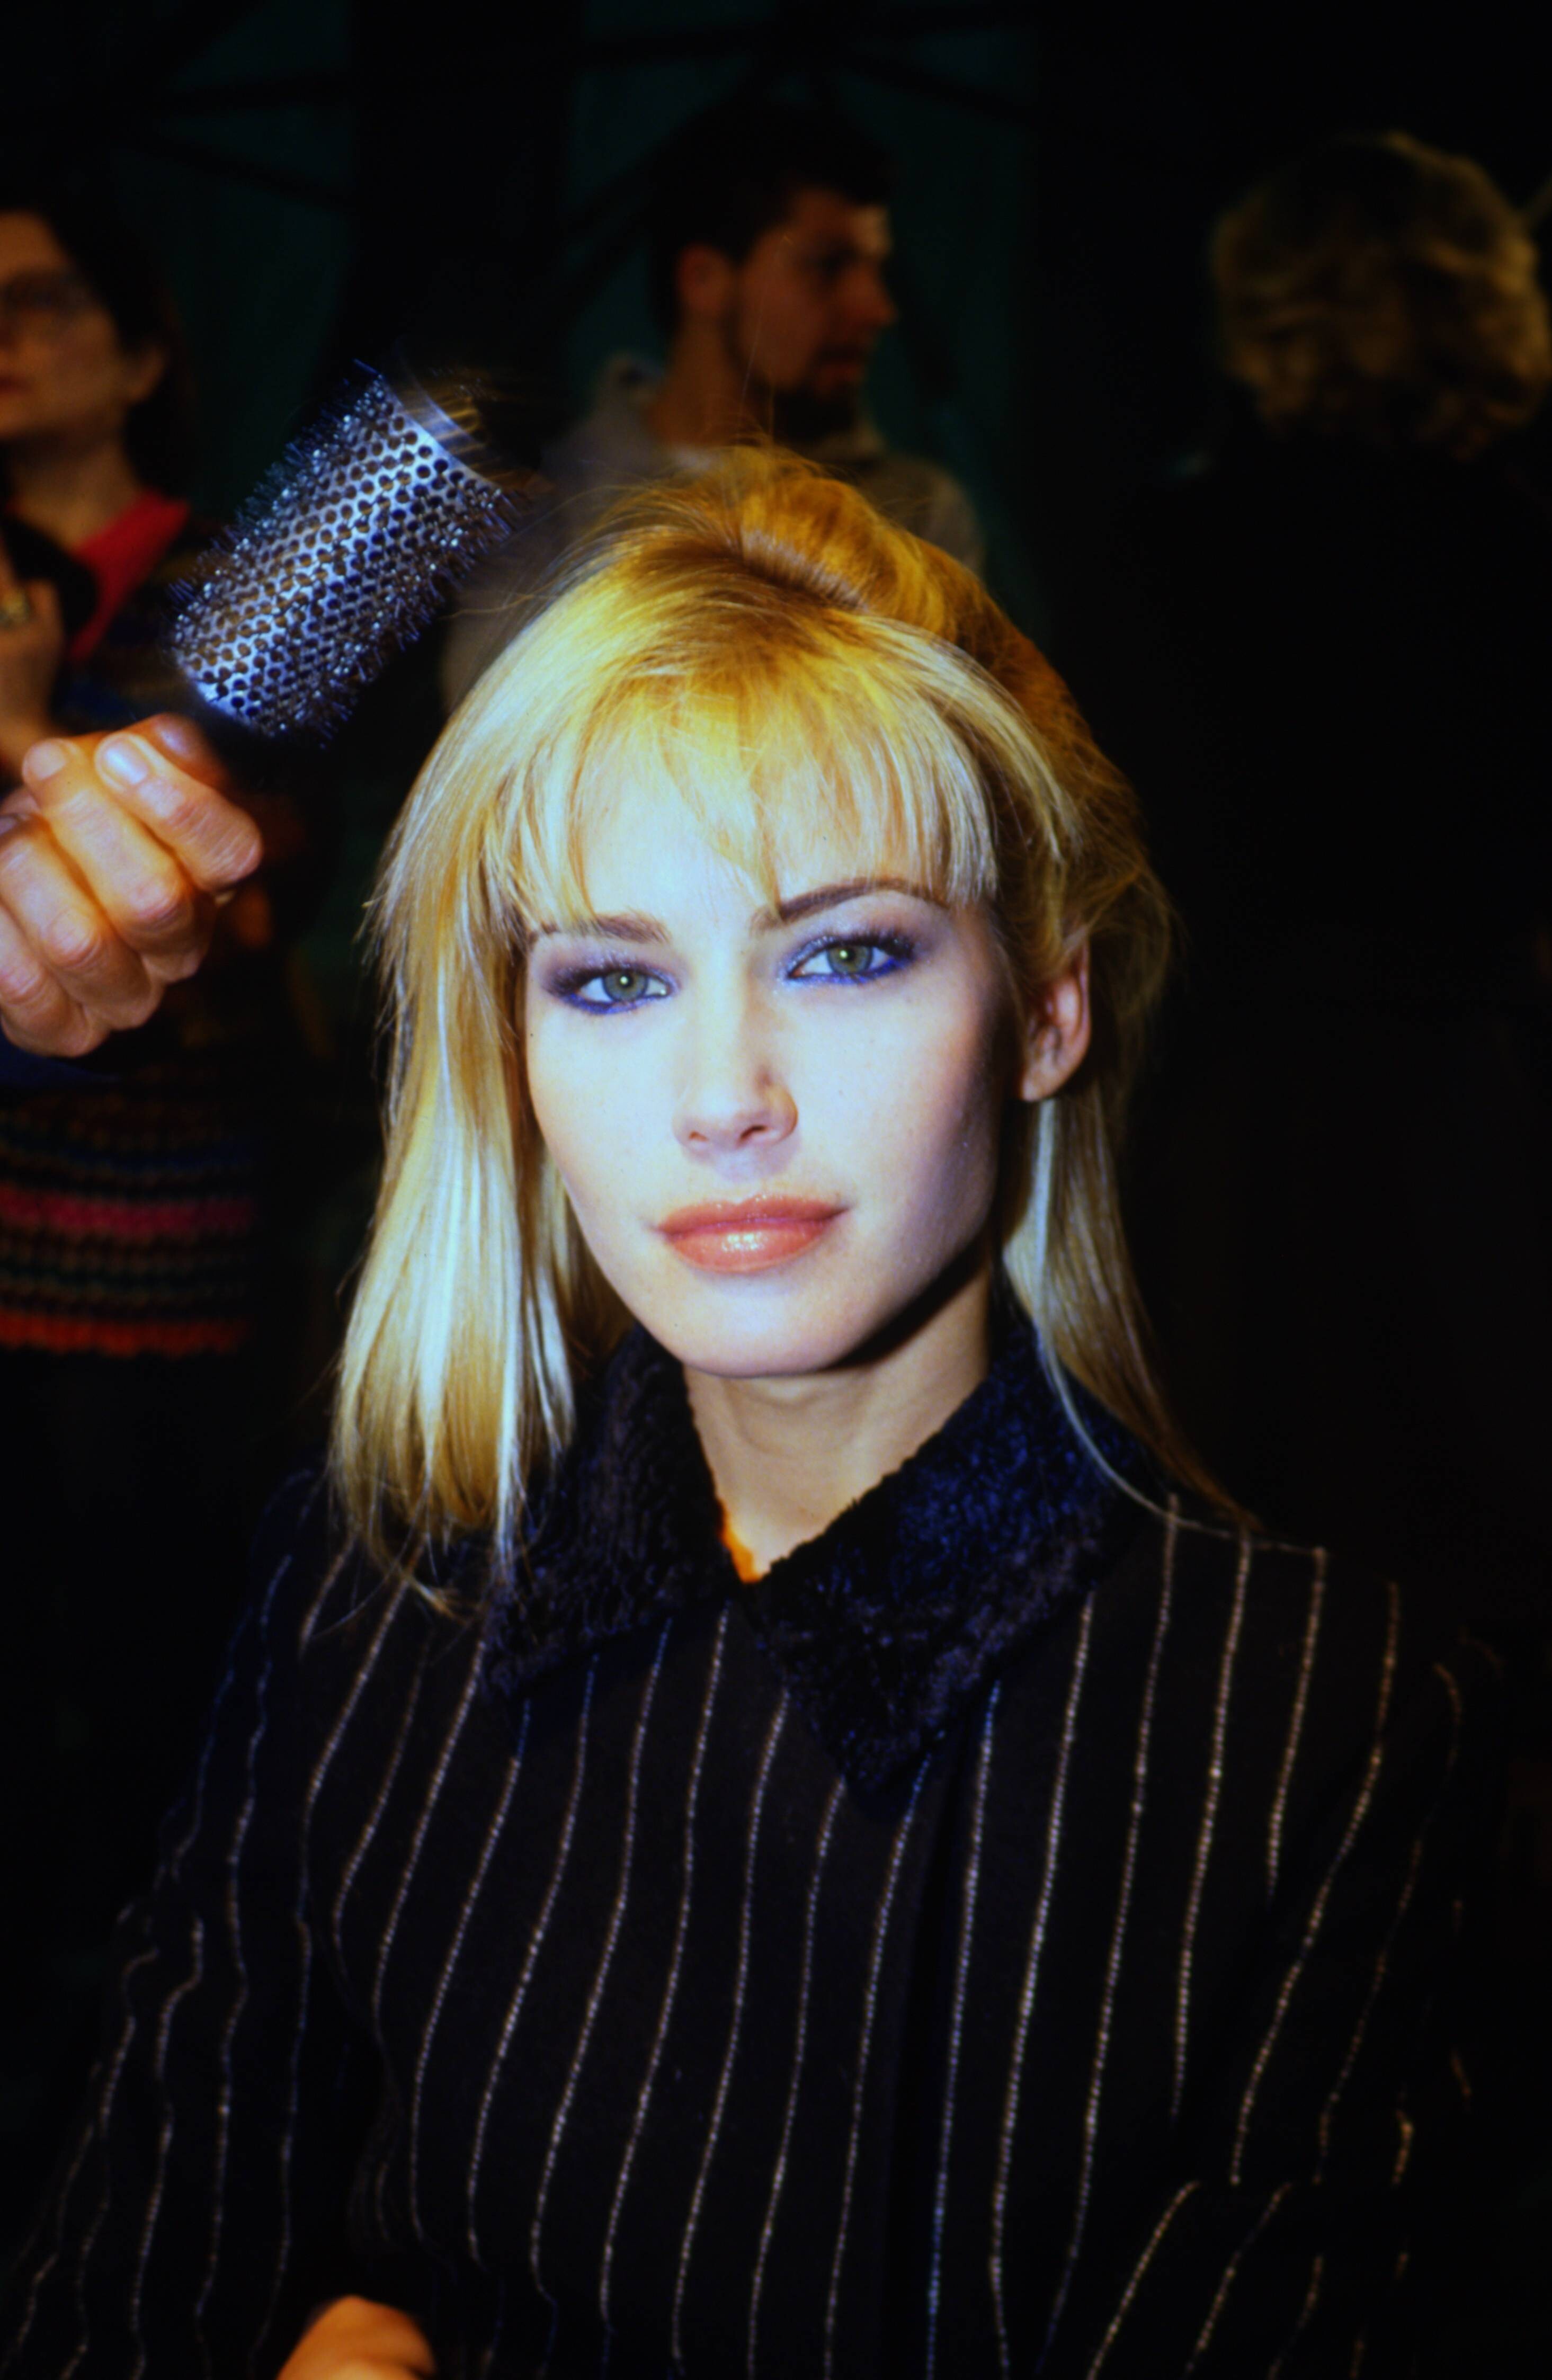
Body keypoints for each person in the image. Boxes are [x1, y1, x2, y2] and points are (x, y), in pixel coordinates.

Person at [3, 451, 1495, 2377]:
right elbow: (126, 2274)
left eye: (845, 953)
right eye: (612, 979)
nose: (722, 1095)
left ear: (1046, 1010)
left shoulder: (1310, 1727)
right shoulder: (372, 1595)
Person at [1055, 132, 1552, 1629]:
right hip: (1476, 1121)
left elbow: (1107, 868)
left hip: (1219, 1140)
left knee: (1230, 1598)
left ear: (1259, 305)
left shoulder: (1159, 548)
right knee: (1470, 1603)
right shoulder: (1518, 552)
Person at [0, 184, 325, 2256]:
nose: (2, 336)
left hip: (178, 1273)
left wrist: (48, 757)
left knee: (158, 1724)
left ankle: (157, 2160)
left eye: (40, 301)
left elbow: (275, 897)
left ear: (139, 348)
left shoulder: (234, 588)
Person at [441, 97, 985, 706]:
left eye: (875, 269)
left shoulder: (917, 512)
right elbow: (497, 724)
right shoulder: (543, 508)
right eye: (827, 266)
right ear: (703, 279)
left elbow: (946, 732)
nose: (875, 308)